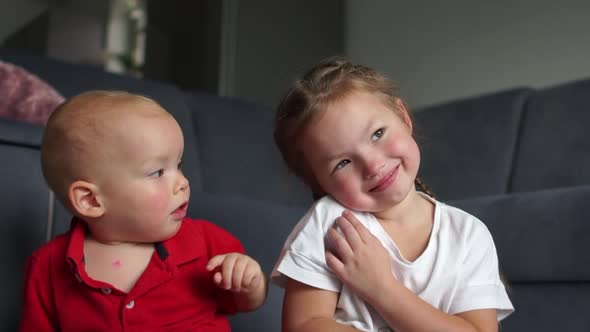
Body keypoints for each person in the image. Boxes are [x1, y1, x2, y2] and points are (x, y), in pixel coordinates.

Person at [271, 57, 514, 331]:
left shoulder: (469, 234)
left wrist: (382, 289)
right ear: (319, 184)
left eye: (377, 134)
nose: (373, 165)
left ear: (403, 116)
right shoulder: (331, 224)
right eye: (342, 163)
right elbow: (303, 326)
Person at [20, 91, 268, 331]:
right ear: (91, 200)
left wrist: (250, 284)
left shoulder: (206, 243)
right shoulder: (48, 266)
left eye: (178, 166)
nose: (183, 182)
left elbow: (244, 303)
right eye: (158, 172)